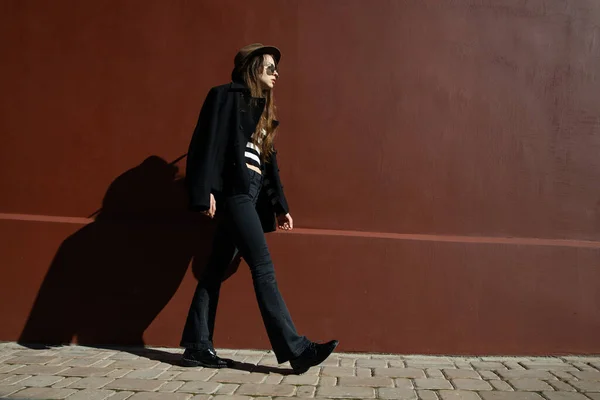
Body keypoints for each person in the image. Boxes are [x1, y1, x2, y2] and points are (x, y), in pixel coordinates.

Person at [180, 43, 338, 374]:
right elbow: (204, 143)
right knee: (263, 267)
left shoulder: (264, 112)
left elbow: (268, 164)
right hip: (234, 193)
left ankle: (196, 345)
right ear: (252, 69)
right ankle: (296, 348)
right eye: (269, 67)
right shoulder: (224, 96)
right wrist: (205, 190)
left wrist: (280, 205)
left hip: (250, 195)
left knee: (214, 270)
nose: (276, 72)